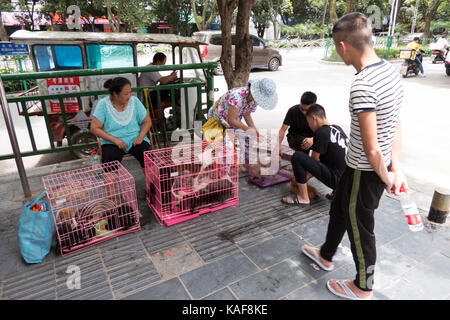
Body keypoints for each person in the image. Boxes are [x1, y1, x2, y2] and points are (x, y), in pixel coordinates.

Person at [301, 13, 408, 300]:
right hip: (360, 166)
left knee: (360, 229)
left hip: (366, 170)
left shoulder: (363, 84)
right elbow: (395, 123)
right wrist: (395, 167)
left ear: (343, 46)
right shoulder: (390, 71)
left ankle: (364, 286)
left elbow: (372, 148)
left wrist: (388, 178)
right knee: (339, 208)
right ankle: (325, 255)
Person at [281, 104, 348, 206]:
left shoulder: (321, 132)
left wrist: (300, 180)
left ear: (314, 118)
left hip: (337, 180)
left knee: (297, 156)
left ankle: (303, 197)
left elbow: (313, 163)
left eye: (308, 122)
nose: (309, 126)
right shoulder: (337, 128)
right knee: (333, 159)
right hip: (348, 181)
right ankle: (337, 192)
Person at [206, 78, 278, 169]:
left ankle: (244, 164)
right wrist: (248, 129)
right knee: (228, 146)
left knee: (249, 137)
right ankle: (225, 172)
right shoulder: (237, 97)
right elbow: (231, 120)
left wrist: (254, 130)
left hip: (234, 122)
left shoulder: (253, 99)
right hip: (219, 121)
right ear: (252, 90)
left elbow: (247, 114)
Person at [91, 77, 152, 170]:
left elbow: (147, 121)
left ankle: (152, 183)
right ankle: (111, 184)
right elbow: (94, 128)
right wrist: (115, 140)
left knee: (147, 157)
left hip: (135, 139)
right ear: (115, 94)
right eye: (126, 94)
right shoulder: (103, 104)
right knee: (110, 162)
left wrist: (140, 137)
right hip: (112, 142)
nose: (129, 96)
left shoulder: (134, 101)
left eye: (130, 92)